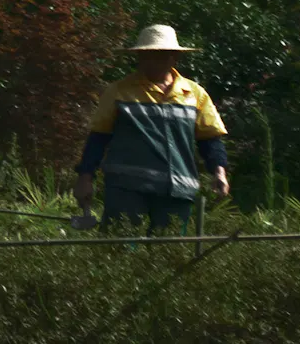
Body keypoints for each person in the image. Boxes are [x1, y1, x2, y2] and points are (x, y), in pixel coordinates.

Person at [77, 24, 232, 234]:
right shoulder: (119, 91)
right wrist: (85, 177)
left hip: (177, 190)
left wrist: (219, 172)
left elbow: (210, 139)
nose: (152, 61)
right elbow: (98, 137)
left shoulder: (194, 94)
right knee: (121, 246)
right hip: (126, 189)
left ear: (174, 58)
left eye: (160, 55)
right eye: (147, 55)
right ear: (139, 57)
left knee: (169, 249)